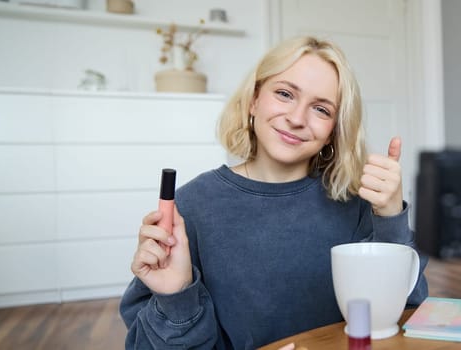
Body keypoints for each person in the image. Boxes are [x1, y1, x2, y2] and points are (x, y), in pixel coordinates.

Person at [119, 36, 429, 350]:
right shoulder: (192, 206)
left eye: (321, 109)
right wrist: (177, 296)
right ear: (254, 100)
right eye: (284, 94)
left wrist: (390, 219)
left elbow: (404, 317)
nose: (296, 119)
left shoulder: (356, 204)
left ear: (334, 131)